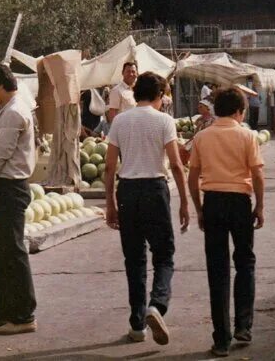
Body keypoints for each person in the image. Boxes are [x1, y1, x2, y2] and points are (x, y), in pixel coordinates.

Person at [104, 71, 190, 345]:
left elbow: (108, 166)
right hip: (155, 189)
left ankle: (137, 323)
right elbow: (176, 164)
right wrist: (185, 201)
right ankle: (157, 305)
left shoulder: (119, 121)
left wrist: (110, 203)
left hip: (127, 190)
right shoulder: (164, 121)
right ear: (160, 95)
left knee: (134, 259)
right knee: (164, 255)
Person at [187, 87, 265, 357]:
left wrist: (198, 209)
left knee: (217, 269)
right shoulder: (247, 135)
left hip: (213, 202)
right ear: (238, 111)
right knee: (245, 262)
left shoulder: (202, 136)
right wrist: (260, 207)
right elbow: (257, 175)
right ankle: (244, 326)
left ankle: (221, 339)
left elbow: (192, 177)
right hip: (240, 202)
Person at [0, 64, 37, 335]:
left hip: (9, 187)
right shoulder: (9, 110)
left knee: (12, 251)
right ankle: (1, 310)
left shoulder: (13, 113)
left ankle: (23, 314)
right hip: (5, 187)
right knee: (1, 250)